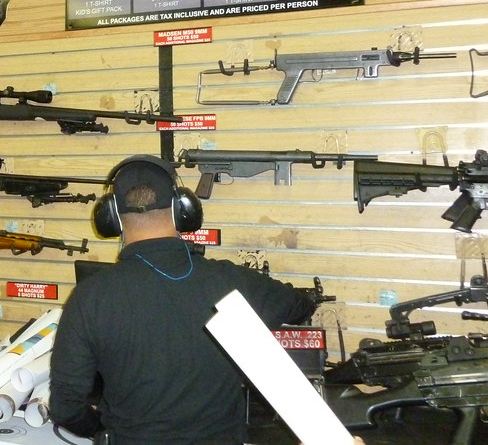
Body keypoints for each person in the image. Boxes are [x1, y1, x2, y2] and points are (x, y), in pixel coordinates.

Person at [50, 155, 320, 444]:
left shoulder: (89, 297)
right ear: (183, 209)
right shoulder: (231, 281)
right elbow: (298, 306)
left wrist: (104, 430)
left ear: (111, 217)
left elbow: (66, 409)